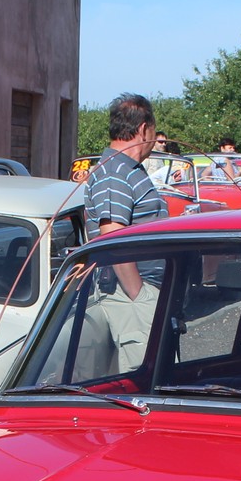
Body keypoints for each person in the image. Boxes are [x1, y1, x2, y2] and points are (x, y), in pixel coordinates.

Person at [83, 93, 170, 367]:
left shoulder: (126, 169)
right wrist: (139, 295)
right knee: (145, 378)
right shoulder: (115, 172)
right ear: (144, 128)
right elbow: (112, 235)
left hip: (140, 294)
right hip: (131, 297)